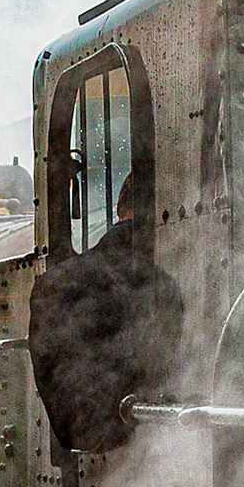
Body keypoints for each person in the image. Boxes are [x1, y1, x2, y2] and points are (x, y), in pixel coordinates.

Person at [28, 174, 183, 453]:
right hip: (149, 449)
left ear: (118, 210)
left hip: (86, 443)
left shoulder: (53, 283)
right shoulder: (164, 287)